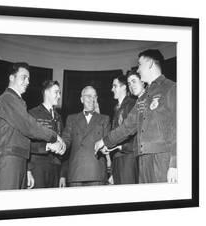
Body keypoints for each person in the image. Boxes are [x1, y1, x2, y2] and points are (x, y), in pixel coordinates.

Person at [95, 49, 177, 183]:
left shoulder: (171, 88)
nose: (137, 69)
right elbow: (127, 127)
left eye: (140, 64)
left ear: (150, 63)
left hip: (163, 159)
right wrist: (105, 141)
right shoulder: (143, 98)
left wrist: (175, 164)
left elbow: (179, 128)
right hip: (143, 160)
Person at [0, 62, 65, 190]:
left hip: (19, 158)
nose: (27, 82)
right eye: (24, 77)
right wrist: (54, 137)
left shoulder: (18, 101)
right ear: (12, 78)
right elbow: (29, 126)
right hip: (9, 158)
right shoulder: (7, 99)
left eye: (28, 79)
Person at [62, 86, 110, 187]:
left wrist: (105, 148)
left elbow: (108, 141)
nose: (92, 99)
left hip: (97, 173)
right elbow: (66, 141)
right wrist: (59, 145)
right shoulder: (71, 119)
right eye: (88, 96)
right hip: (76, 173)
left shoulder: (104, 119)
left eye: (94, 96)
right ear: (81, 99)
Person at [28, 80, 67, 188]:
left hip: (56, 169)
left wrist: (62, 174)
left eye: (59, 93)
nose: (59, 96)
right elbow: (27, 144)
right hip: (38, 168)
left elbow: (63, 146)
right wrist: (28, 170)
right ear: (46, 92)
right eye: (56, 92)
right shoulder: (33, 114)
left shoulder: (59, 117)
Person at [108, 75, 138, 185]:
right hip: (117, 158)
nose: (112, 89)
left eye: (115, 86)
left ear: (124, 87)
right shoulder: (116, 108)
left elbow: (132, 133)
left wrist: (119, 146)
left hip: (128, 157)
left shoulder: (132, 104)